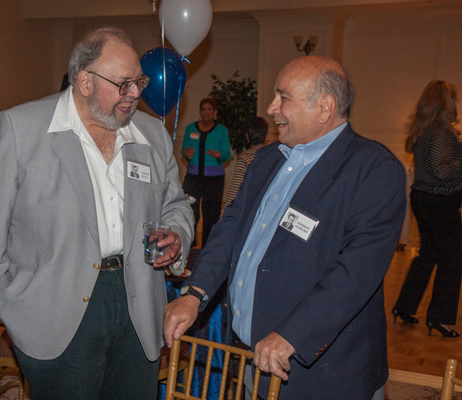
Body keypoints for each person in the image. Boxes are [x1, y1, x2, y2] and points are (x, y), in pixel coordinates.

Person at [0, 27, 194, 400]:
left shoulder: (152, 134)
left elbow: (176, 204)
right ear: (85, 81)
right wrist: (8, 306)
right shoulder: (21, 129)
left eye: (139, 82)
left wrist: (177, 235)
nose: (136, 94)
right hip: (54, 308)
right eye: (123, 84)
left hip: (139, 303)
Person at [164, 56, 406, 400]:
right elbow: (229, 229)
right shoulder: (267, 159)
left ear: (324, 107)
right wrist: (195, 292)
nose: (271, 108)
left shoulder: (373, 169)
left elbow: (356, 272)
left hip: (323, 375)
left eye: (283, 97)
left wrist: (293, 334)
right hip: (252, 361)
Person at [392, 80, 462, 338]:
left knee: (428, 254)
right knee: (452, 259)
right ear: (445, 103)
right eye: (453, 98)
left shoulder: (426, 130)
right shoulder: (439, 133)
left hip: (426, 200)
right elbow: (443, 170)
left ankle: (404, 307)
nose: (456, 103)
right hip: (440, 202)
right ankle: (440, 318)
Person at [181, 97, 231, 247]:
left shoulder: (222, 131)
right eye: (203, 109)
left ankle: (208, 246)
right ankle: (189, 243)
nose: (206, 112)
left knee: (211, 213)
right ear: (200, 112)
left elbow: (227, 154)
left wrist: (219, 155)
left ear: (215, 112)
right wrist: (187, 154)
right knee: (190, 209)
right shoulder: (191, 128)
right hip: (193, 177)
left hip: (214, 179)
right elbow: (183, 151)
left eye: (209, 109)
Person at [223, 117, 268, 211]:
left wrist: (226, 211)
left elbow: (235, 189)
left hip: (249, 207)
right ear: (266, 137)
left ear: (247, 137)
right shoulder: (271, 157)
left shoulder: (244, 159)